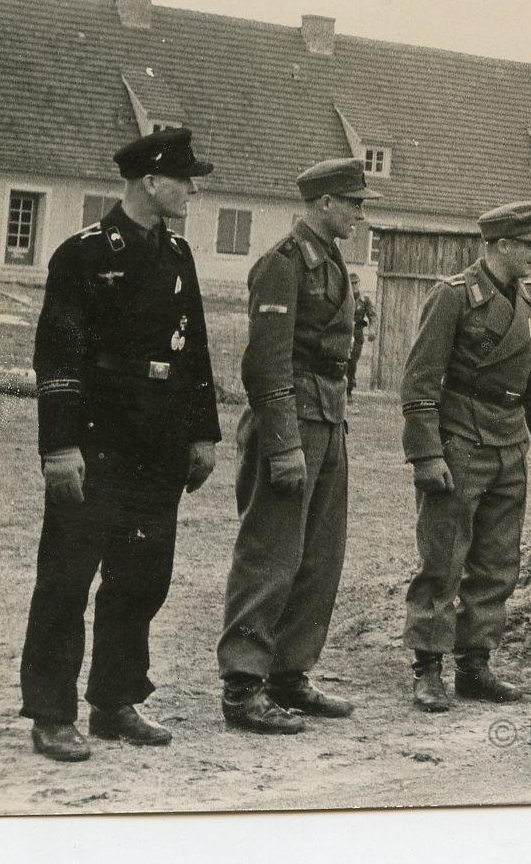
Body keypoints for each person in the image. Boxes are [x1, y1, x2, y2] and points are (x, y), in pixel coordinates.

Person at [20, 127, 220, 762]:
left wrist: (202, 434)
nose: (192, 190)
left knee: (141, 578)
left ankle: (114, 700)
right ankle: (52, 713)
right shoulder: (81, 255)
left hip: (157, 444)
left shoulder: (180, 254)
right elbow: (58, 356)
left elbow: (195, 353)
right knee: (67, 578)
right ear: (149, 182)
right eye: (185, 179)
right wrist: (60, 447)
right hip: (98, 441)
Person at [216, 157, 378, 734]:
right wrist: (284, 444)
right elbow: (267, 362)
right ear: (324, 204)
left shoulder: (333, 260)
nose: (360, 214)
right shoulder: (282, 265)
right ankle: (243, 685)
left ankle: (290, 674)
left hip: (327, 418)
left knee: (318, 556)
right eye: (353, 203)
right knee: (271, 551)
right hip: (291, 421)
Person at [400, 202, 531, 710]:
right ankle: (427, 668)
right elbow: (420, 382)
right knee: (443, 559)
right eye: (530, 245)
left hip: (509, 444)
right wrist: (427, 455)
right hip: (461, 441)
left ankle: (476, 665)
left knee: (498, 562)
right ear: (500, 247)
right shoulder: (452, 297)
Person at [347, 272, 377, 395]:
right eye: (351, 283)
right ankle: (344, 389)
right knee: (343, 360)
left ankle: (349, 388)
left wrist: (372, 330)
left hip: (357, 333)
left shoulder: (364, 300)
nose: (354, 286)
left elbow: (373, 315)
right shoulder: (344, 297)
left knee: (353, 360)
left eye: (356, 283)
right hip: (345, 332)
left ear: (359, 284)